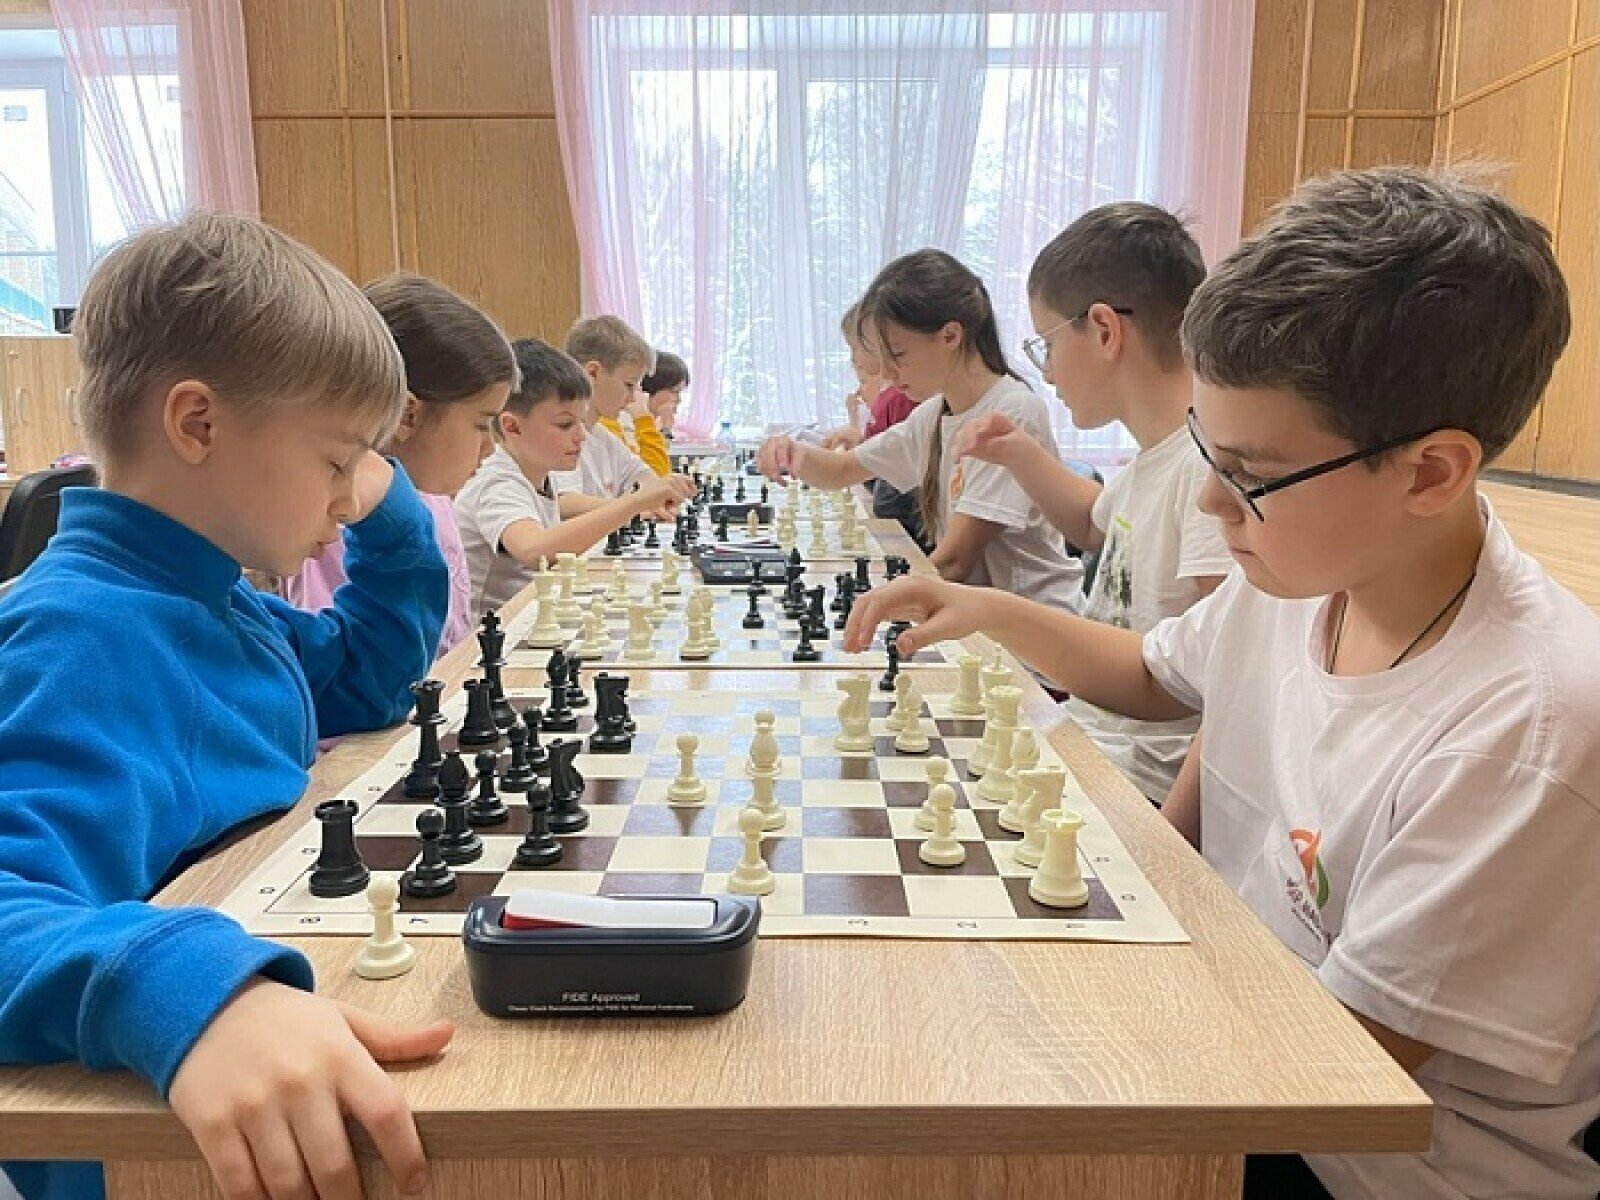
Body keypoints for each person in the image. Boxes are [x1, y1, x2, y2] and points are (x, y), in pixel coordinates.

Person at [844, 167, 1600, 1200]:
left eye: (1250, 474)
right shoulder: (1298, 576)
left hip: (1358, 1161)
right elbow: (1152, 674)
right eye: (1205, 449)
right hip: (1250, 1053)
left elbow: (1332, 1069)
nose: (1207, 500)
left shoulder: (1528, 728)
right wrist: (985, 610)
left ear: (1429, 473)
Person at [0, 213, 455, 1200]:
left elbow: (369, 675)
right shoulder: (81, 638)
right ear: (198, 425)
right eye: (335, 462)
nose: (349, 498)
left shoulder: (219, 601)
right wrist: (192, 990)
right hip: (146, 1152)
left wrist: (389, 512)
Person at [952, 203, 1230, 802]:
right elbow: (1092, 522)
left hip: (1140, 784)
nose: (1047, 374)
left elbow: (1232, 682)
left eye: (1046, 344)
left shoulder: (1205, 467)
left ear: (1105, 330)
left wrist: (1168, 840)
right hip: (1091, 742)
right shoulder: (1157, 454)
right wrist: (1017, 452)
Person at [756, 249, 1083, 614]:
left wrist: (873, 599)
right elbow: (844, 469)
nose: (887, 374)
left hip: (1034, 630)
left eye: (897, 354)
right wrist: (793, 452)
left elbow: (956, 560)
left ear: (950, 336)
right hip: (979, 620)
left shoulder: (1011, 413)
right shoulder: (934, 413)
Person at [281, 273, 516, 657]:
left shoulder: (434, 499)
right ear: (407, 415)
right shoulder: (346, 518)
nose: (490, 447)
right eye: (481, 424)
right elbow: (342, 664)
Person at [456, 338, 688, 617]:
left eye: (581, 421)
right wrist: (635, 503)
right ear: (512, 427)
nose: (581, 435)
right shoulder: (495, 481)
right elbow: (534, 550)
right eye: (565, 424)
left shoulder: (541, 476)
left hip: (533, 617)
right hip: (493, 633)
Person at [552, 315, 694, 513]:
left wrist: (665, 491)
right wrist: (634, 507)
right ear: (592, 373)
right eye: (629, 385)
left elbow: (647, 480)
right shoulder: (558, 435)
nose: (633, 398)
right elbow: (562, 503)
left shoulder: (605, 440)